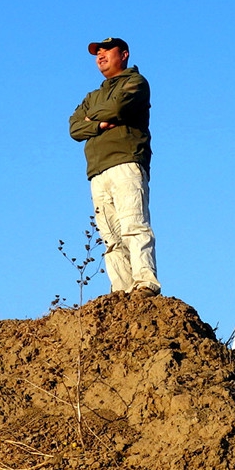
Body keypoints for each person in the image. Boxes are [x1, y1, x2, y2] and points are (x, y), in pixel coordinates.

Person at [68, 36, 159, 295]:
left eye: (107, 50)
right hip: (97, 171)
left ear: (125, 54)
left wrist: (92, 117)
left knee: (134, 225)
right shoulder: (93, 96)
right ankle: (122, 291)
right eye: (98, 52)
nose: (101, 55)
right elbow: (74, 127)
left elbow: (119, 107)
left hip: (127, 161)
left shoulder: (135, 82)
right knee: (110, 238)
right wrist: (98, 124)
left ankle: (145, 283)